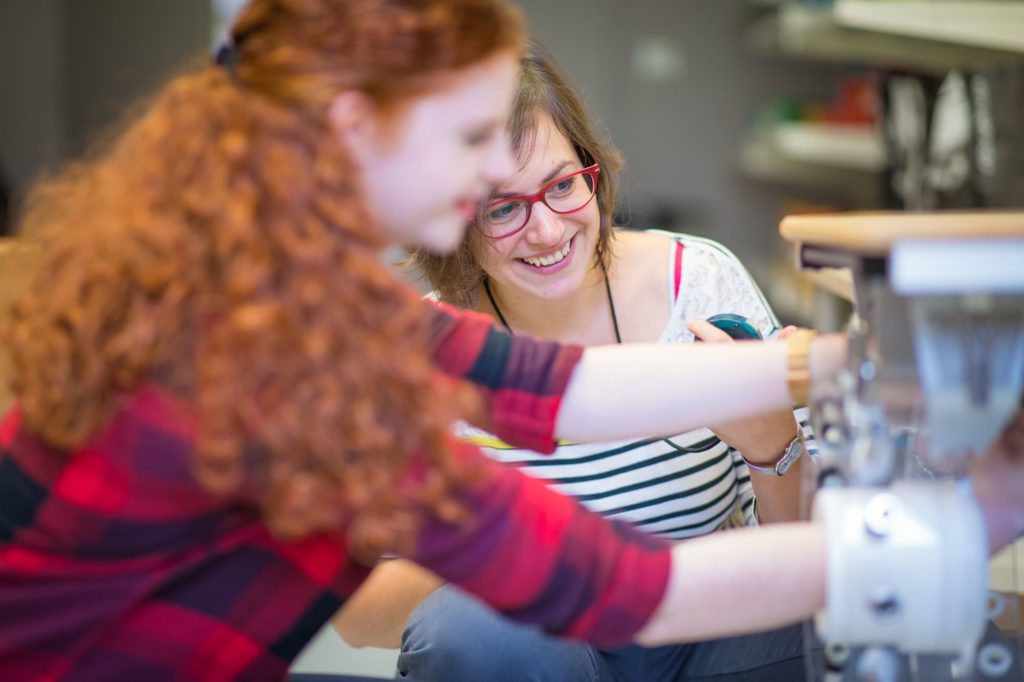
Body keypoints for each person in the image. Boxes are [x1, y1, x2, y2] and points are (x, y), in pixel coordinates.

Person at [0, 2, 1019, 682]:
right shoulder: (285, 354)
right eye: (473, 139)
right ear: (359, 130)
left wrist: (845, 363)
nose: (506, 181)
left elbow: (545, 386)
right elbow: (625, 586)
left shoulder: (312, 298)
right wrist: (956, 530)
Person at [334, 40, 819, 681]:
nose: (547, 231)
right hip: (538, 654)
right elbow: (355, 614)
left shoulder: (699, 281)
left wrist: (773, 446)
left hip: (705, 638)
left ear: (592, 171)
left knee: (830, 612)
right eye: (502, 207)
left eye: (562, 185)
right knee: (466, 633)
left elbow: (815, 551)